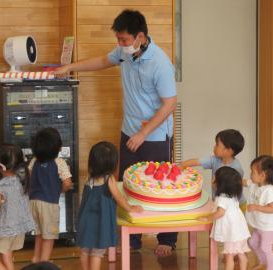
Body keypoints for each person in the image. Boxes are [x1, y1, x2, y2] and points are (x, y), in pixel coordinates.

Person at [54, 9, 177, 256]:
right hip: (129, 129)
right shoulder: (124, 53)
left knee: (159, 186)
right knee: (128, 183)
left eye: (124, 40)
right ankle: (132, 239)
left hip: (154, 134)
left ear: (140, 37)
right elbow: (102, 61)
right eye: (118, 40)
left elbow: (169, 104)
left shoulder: (160, 63)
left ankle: (167, 238)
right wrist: (70, 67)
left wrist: (144, 134)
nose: (120, 44)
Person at [77, 141, 143, 270]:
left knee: (85, 252)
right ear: (113, 164)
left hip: (85, 221)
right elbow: (119, 198)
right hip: (100, 223)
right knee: (97, 254)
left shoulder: (88, 177)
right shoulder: (109, 179)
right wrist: (130, 207)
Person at [0, 144, 34, 270]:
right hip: (18, 228)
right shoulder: (21, 181)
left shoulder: (0, 186)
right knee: (6, 255)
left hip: (3, 230)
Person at [28, 127, 73, 262]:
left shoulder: (34, 161)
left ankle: (36, 258)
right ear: (57, 148)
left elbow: (31, 177)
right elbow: (67, 183)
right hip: (49, 204)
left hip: (33, 203)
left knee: (39, 233)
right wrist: (60, 190)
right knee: (49, 236)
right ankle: (44, 262)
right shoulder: (59, 162)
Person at [200, 166, 250, 270]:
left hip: (232, 232)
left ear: (221, 183)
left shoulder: (222, 198)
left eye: (214, 178)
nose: (212, 180)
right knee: (240, 253)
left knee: (229, 256)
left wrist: (207, 218)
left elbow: (220, 213)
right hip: (239, 229)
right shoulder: (233, 196)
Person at [180, 129, 245, 199]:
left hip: (235, 204)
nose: (214, 147)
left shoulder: (236, 168)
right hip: (219, 202)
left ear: (228, 151)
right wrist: (182, 165)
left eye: (217, 145)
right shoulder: (215, 159)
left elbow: (233, 190)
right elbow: (197, 161)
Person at [245, 155, 273, 270]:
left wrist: (256, 207)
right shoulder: (255, 184)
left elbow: (271, 209)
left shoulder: (269, 191)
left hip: (268, 229)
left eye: (253, 172)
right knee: (252, 243)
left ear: (262, 175)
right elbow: (244, 182)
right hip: (259, 226)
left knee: (265, 248)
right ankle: (263, 261)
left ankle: (271, 268)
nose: (250, 174)